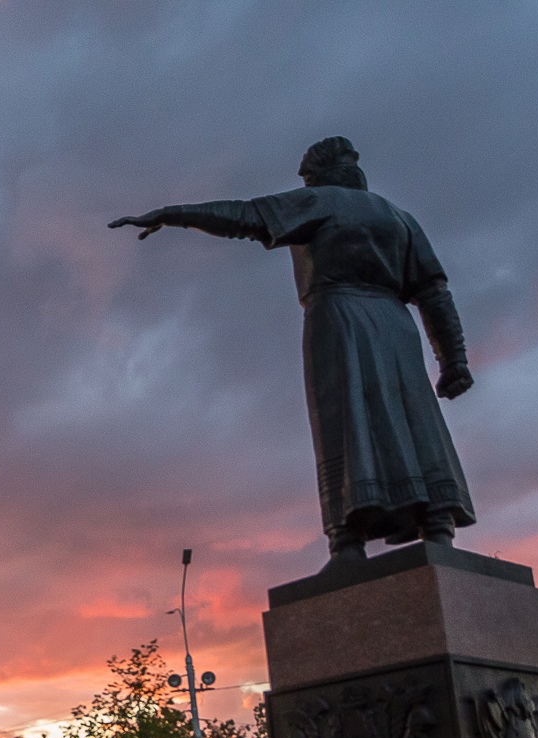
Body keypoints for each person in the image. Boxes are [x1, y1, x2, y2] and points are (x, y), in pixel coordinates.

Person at [108, 136, 474, 560]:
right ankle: (437, 525)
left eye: (307, 178)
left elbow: (244, 216)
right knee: (414, 416)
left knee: (342, 419)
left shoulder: (320, 202)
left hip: (339, 318)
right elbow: (435, 293)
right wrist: (453, 360)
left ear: (318, 176)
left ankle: (346, 541)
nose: (304, 186)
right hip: (396, 324)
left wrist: (173, 215)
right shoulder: (400, 218)